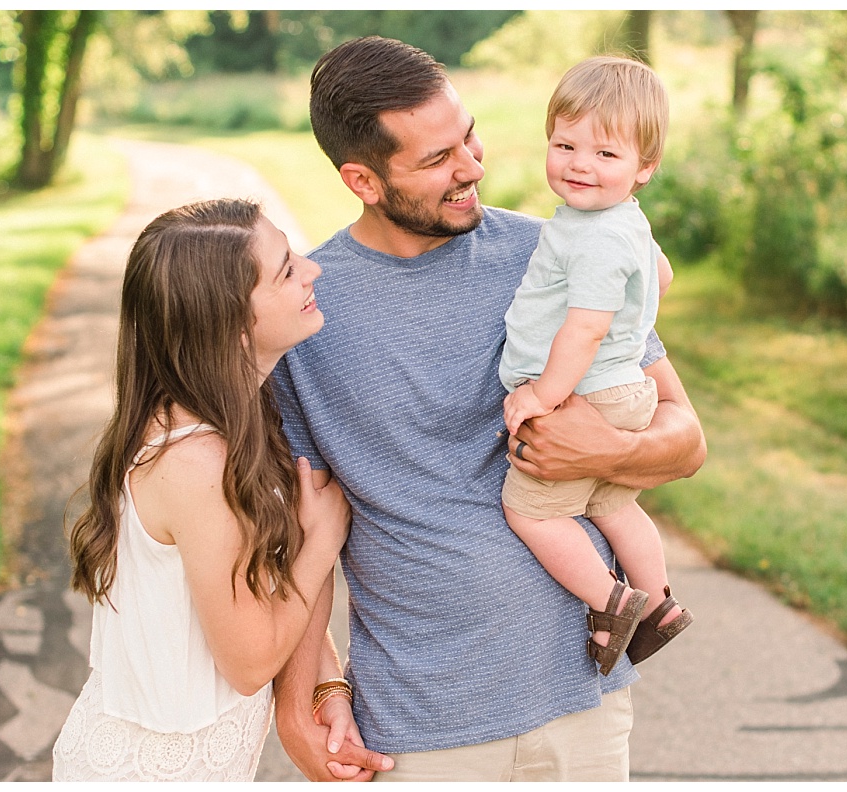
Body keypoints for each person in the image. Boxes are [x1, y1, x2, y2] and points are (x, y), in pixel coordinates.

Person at [270, 36, 706, 782]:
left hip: (583, 699)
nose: (472, 165)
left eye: (467, 136)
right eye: (437, 159)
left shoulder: (558, 251)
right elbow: (301, 529)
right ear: (362, 179)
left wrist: (604, 455)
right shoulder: (309, 315)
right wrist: (312, 690)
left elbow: (684, 436)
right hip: (423, 720)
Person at [52, 198, 361, 781]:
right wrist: (322, 539)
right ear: (235, 328)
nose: (312, 270)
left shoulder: (231, 417)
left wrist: (326, 684)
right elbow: (248, 664)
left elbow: (263, 590)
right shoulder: (196, 462)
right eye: (286, 270)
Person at [499, 56, 693, 677]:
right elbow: (660, 275)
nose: (580, 164)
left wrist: (541, 396)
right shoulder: (623, 222)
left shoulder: (594, 237)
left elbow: (585, 327)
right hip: (624, 387)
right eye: (565, 145)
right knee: (612, 505)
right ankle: (660, 604)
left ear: (645, 168)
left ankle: (611, 603)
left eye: (605, 155)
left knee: (529, 509)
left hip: (587, 392)